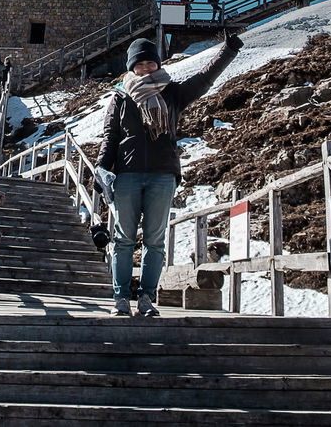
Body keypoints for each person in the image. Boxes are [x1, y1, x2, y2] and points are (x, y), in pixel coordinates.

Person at [97, 33, 243, 317]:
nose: (146, 68)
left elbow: (204, 78)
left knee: (155, 241)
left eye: (151, 62)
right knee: (124, 239)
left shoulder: (172, 92)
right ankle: (121, 298)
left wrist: (228, 50)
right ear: (131, 67)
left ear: (158, 64)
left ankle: (147, 299)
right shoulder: (121, 97)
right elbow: (110, 136)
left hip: (163, 175)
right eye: (140, 64)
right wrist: (102, 169)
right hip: (127, 175)